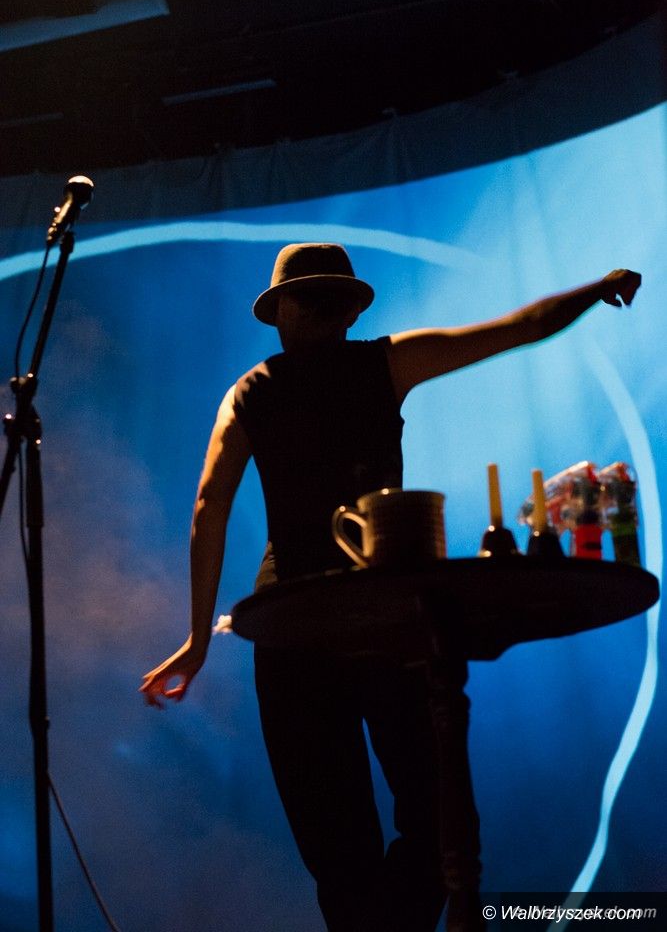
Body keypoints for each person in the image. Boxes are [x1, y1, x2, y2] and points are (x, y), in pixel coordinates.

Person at [141, 244, 641, 932]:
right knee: (432, 824)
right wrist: (595, 287)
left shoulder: (250, 391)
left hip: (301, 618)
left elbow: (208, 508)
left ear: (289, 311)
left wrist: (200, 639)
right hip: (385, 614)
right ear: (342, 310)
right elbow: (519, 327)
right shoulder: (384, 363)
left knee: (343, 846)